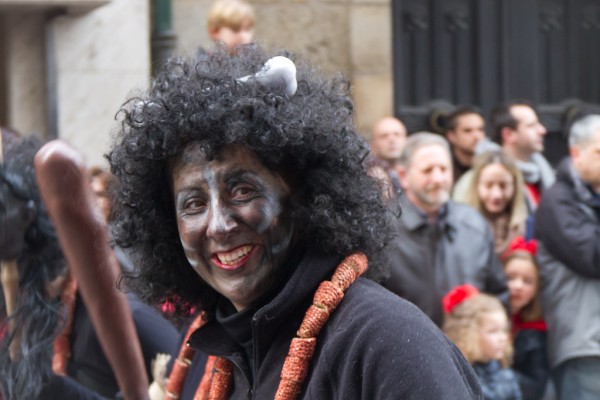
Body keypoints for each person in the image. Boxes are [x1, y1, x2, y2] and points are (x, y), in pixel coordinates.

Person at [99, 45, 483, 399]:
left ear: (302, 191)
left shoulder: (387, 342)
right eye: (194, 203)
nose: (217, 225)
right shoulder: (210, 349)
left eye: (242, 191)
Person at [382, 132, 508, 326]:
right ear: (403, 176)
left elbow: (497, 293)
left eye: (443, 169)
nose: (438, 178)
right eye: (428, 170)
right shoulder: (384, 231)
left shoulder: (473, 224)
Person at [534, 114, 600, 400]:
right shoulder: (557, 201)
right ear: (576, 153)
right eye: (599, 152)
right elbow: (593, 256)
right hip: (584, 344)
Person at [443, 284, 522, 400]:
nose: (502, 338)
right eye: (493, 331)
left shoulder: (506, 375)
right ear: (470, 333)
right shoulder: (459, 377)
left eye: (504, 330)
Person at [502, 237, 550, 400]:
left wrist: (499, 374)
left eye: (527, 281)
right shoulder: (485, 318)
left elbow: (535, 387)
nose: (518, 286)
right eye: (510, 277)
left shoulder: (536, 331)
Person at [460, 150, 528, 259]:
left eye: (503, 186)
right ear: (476, 186)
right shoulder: (462, 229)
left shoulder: (527, 230)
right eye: (488, 185)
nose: (496, 195)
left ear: (514, 186)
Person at [490, 101, 554, 213]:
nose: (542, 130)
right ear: (508, 135)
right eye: (531, 126)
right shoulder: (491, 176)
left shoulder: (542, 171)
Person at [444, 106, 486, 183]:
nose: (477, 136)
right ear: (451, 136)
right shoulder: (444, 170)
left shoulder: (490, 166)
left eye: (480, 130)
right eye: (468, 131)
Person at [369, 116, 407, 192]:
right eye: (384, 136)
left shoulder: (419, 170)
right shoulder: (368, 175)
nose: (392, 140)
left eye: (397, 134)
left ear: (406, 140)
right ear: (373, 145)